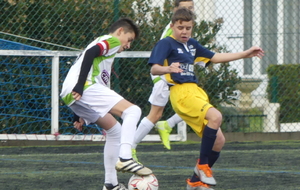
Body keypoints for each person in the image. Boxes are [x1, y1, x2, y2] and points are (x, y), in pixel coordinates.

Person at [148, 8, 264, 190]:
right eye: (180, 27)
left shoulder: (192, 45)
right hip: (181, 93)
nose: (184, 31)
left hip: (195, 91)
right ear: (172, 27)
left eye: (188, 27)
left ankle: (195, 180)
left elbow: (215, 57)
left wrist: (244, 54)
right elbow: (154, 68)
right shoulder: (166, 44)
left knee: (219, 141)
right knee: (216, 117)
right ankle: (202, 166)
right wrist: (168, 69)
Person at [60, 18, 152, 190]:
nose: (128, 45)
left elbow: (84, 62)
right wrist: (80, 86)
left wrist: (77, 112)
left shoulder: (104, 60)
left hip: (74, 94)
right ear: (120, 32)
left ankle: (111, 184)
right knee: (133, 111)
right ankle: (125, 158)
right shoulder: (112, 40)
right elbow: (90, 54)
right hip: (83, 88)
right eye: (129, 40)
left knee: (115, 130)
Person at [132, 0, 194, 160]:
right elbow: (162, 55)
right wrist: (167, 71)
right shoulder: (172, 31)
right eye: (184, 8)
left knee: (194, 104)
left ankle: (168, 125)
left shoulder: (186, 29)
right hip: (165, 75)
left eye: (191, 8)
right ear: (175, 10)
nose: (188, 11)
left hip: (175, 75)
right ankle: (129, 148)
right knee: (155, 115)